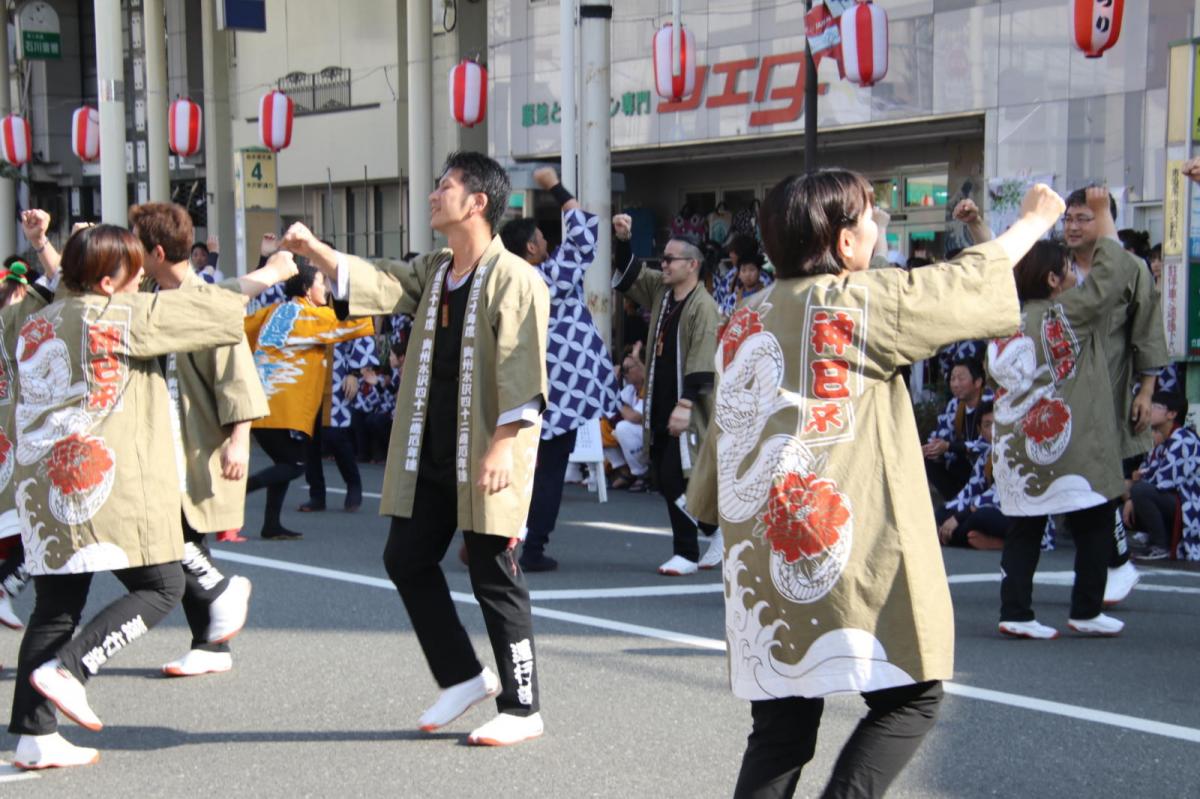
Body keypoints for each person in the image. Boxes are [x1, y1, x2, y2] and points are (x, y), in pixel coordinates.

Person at [685, 168, 1064, 798]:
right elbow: (964, 285)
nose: (878, 227)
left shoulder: (743, 320)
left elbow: (726, 434)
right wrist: (1032, 220)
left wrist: (705, 508)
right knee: (912, 697)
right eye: (870, 217)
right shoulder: (858, 301)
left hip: (762, 549)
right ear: (843, 243)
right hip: (848, 542)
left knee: (781, 728)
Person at [280, 151, 549, 747]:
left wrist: (504, 446)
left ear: (476, 203)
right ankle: (460, 675)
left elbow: (523, 367)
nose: (434, 194)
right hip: (433, 449)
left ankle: (523, 706)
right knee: (405, 558)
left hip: (487, 450)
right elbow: (381, 281)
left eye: (445, 186)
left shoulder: (515, 278)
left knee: (493, 573)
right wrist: (316, 252)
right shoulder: (437, 269)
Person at [6, 224, 293, 770]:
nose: (142, 283)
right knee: (161, 584)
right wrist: (273, 272)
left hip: (42, 491)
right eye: (136, 274)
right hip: (100, 486)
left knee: (55, 607)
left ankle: (34, 733)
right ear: (111, 279)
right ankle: (71, 669)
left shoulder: (38, 323)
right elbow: (209, 307)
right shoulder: (115, 317)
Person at [128, 202, 269, 677]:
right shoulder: (146, 292)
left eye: (137, 243)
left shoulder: (205, 301)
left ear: (158, 251)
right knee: (178, 535)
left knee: (179, 535)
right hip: (157, 440)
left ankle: (220, 601)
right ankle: (210, 643)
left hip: (191, 439)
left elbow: (237, 376)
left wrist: (239, 440)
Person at [989, 187, 1131, 640]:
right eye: (1068, 269)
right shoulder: (1069, 312)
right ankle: (1085, 609)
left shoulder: (1003, 320)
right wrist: (1105, 214)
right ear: (1053, 280)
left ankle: (1016, 610)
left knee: (1023, 530)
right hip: (1067, 444)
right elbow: (1113, 276)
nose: (1074, 274)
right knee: (1093, 520)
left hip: (1015, 444)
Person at [499, 166, 617, 572]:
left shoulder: (504, 282)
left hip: (519, 386)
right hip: (563, 387)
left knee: (516, 468)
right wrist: (555, 188)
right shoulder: (546, 276)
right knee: (548, 472)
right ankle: (531, 548)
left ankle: (497, 538)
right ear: (531, 248)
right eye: (542, 238)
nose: (548, 241)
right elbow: (584, 235)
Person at [1062, 186, 1168, 605]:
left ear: (1105, 221)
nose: (1072, 226)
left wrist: (1146, 390)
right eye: (1068, 217)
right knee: (1075, 485)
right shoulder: (1059, 266)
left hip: (1112, 387)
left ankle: (1119, 562)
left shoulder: (1132, 268)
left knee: (1101, 484)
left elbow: (1147, 329)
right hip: (1064, 394)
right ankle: (1100, 564)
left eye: (1084, 218)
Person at [613, 220, 723, 576]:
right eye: (663, 259)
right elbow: (629, 276)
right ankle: (714, 530)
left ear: (692, 265)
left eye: (671, 260)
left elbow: (703, 359)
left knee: (677, 476)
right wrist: (624, 239)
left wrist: (686, 405)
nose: (663, 265)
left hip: (687, 403)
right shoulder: (661, 293)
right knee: (663, 477)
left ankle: (687, 552)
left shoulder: (702, 306)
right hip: (660, 400)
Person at [243, 264, 374, 540]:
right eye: (321, 282)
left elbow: (242, 329)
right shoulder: (308, 316)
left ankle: (271, 524)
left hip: (258, 402)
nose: (325, 288)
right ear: (306, 289)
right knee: (294, 465)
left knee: (285, 462)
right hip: (280, 408)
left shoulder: (272, 312)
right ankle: (243, 487)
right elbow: (350, 323)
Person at [0, 209, 62, 632]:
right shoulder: (27, 314)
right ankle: (6, 586)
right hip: (22, 434)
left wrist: (40, 243)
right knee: (39, 522)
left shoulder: (23, 311)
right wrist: (42, 243)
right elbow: (60, 282)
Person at [300, 333, 375, 513]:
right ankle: (317, 494)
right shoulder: (304, 305)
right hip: (308, 373)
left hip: (338, 374)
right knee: (309, 435)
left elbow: (362, 331)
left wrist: (355, 373)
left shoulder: (344, 305)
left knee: (334, 435)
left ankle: (353, 483)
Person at [1125, 391, 1200, 561]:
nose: (1149, 410)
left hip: (1188, 503)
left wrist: (1132, 493)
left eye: (1155, 407)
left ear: (1172, 414)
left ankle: (1160, 545)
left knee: (1139, 491)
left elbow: (1165, 480)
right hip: (1170, 499)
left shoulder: (1183, 438)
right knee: (1121, 486)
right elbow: (1144, 472)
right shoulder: (1163, 439)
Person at [935, 402, 1009, 550]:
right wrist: (947, 514)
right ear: (980, 430)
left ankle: (1001, 543)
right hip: (987, 510)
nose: (994, 430)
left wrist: (958, 517)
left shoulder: (1012, 453)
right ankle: (971, 539)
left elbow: (994, 495)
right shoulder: (986, 456)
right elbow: (969, 493)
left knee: (979, 517)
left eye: (998, 423)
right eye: (988, 425)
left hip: (1017, 516)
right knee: (942, 515)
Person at [923, 358, 991, 501]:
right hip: (965, 464)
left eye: (961, 378)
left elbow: (986, 444)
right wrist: (932, 448)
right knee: (929, 458)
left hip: (987, 464)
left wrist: (948, 446)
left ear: (978, 382)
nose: (955, 384)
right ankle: (954, 502)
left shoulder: (990, 402)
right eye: (952, 379)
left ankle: (964, 508)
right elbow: (942, 433)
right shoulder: (955, 404)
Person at [605, 345, 650, 493]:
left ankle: (643, 474)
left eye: (627, 368)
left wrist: (617, 400)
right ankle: (624, 470)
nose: (624, 373)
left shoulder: (649, 387)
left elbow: (635, 417)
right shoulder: (630, 390)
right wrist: (612, 383)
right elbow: (607, 409)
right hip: (640, 438)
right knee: (600, 425)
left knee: (623, 428)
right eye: (622, 369)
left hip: (652, 437)